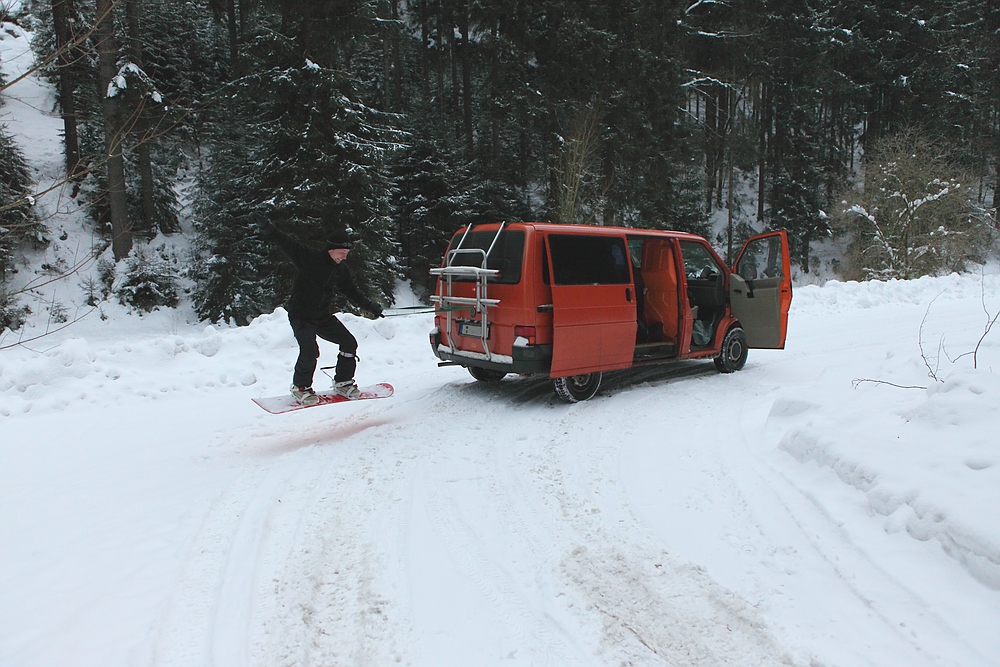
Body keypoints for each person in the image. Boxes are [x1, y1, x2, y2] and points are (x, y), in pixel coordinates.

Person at [248, 211, 383, 405]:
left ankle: (343, 382)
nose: (345, 256)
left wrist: (370, 306)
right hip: (301, 316)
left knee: (349, 343)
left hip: (322, 316)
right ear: (332, 249)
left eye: (347, 253)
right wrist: (266, 226)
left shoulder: (341, 269)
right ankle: (300, 387)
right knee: (310, 351)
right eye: (342, 252)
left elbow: (352, 292)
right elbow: (284, 241)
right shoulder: (309, 257)